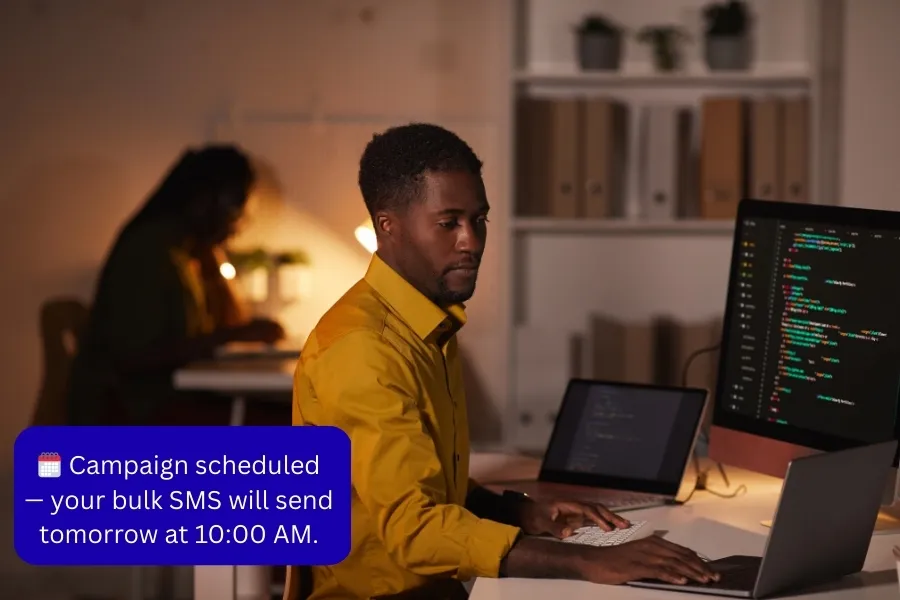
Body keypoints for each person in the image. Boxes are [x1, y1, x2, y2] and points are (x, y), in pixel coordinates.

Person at [291, 124, 718, 599]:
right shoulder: (362, 348)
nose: (471, 242)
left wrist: (524, 512)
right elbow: (415, 530)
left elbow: (423, 482)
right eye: (448, 222)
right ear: (387, 225)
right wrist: (588, 559)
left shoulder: (426, 324)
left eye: (479, 220)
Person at [66, 144, 286, 426]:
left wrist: (215, 256)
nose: (238, 223)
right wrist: (232, 335)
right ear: (206, 201)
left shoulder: (187, 251)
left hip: (167, 399)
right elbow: (135, 358)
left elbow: (232, 318)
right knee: (293, 424)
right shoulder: (150, 250)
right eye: (234, 207)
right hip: (133, 412)